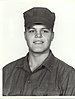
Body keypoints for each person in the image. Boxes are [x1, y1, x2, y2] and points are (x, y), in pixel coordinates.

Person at [3, 7, 75, 96]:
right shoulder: (6, 72)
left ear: (52, 36)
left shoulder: (68, 75)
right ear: (25, 35)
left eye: (44, 31)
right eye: (32, 31)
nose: (38, 35)